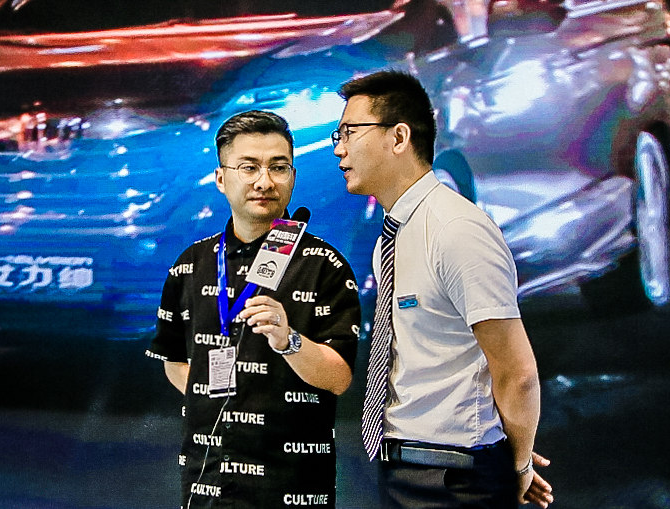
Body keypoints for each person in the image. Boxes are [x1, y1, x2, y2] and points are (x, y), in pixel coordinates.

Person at [332, 70, 554, 508]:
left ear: (399, 137)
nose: (339, 148)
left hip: (456, 478)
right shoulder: (392, 237)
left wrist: (516, 466)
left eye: (349, 132)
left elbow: (518, 373)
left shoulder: (457, 230)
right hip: (401, 465)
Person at [146, 110, 361, 508]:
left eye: (278, 167)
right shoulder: (191, 264)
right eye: (249, 167)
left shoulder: (324, 265)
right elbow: (173, 359)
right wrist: (219, 399)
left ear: (293, 177)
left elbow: (340, 378)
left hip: (292, 485)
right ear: (221, 178)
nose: (265, 181)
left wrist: (290, 341)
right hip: (207, 480)